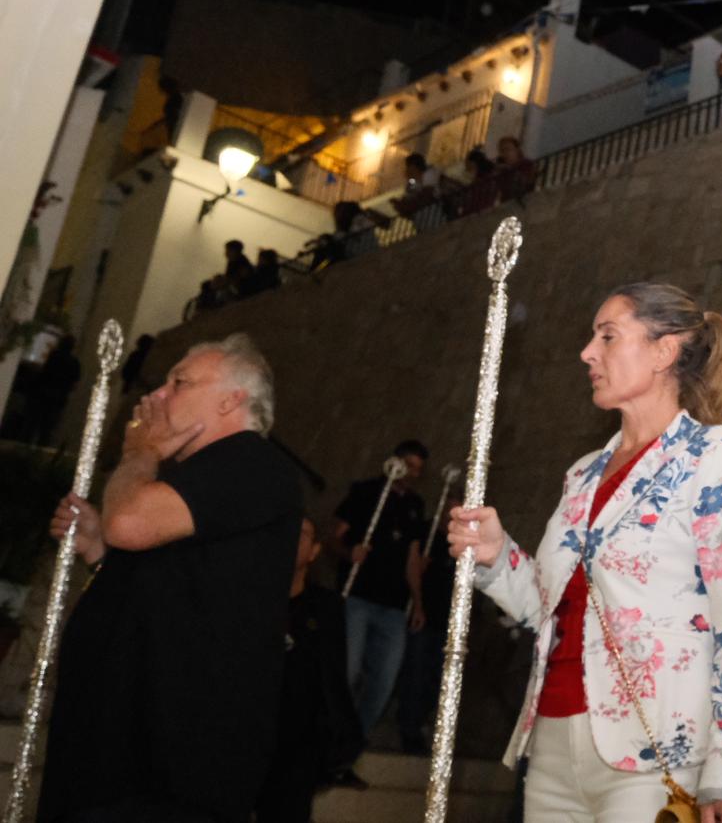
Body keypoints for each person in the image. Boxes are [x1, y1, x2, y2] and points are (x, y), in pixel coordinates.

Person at [448, 283, 722, 822]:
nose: (587, 353)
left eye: (608, 336)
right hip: (553, 743)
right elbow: (546, 608)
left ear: (663, 350)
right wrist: (495, 554)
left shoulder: (714, 457)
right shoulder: (582, 475)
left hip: (655, 752)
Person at [39, 333, 303, 822]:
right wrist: (99, 550)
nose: (158, 395)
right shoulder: (188, 476)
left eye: (179, 382)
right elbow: (178, 587)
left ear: (231, 400)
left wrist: (139, 451)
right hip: (113, 748)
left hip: (166, 762)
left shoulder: (252, 464)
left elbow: (130, 523)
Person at [255, 517, 363, 823]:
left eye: (301, 535)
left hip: (299, 746)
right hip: (248, 737)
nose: (291, 540)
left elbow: (333, 674)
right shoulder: (250, 601)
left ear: (314, 551)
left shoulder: (326, 607)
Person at [330, 438, 429, 741]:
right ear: (394, 462)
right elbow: (334, 536)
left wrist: (418, 602)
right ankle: (330, 735)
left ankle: (352, 742)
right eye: (408, 465)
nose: (412, 473)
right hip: (358, 597)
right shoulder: (365, 491)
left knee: (383, 682)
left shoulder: (415, 505)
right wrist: (350, 553)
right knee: (347, 672)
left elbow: (412, 558)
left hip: (394, 606)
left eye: (418, 470)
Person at [397, 493, 460, 754]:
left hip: (448, 621)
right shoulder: (428, 532)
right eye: (450, 510)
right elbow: (411, 566)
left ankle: (418, 724)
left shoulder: (461, 542)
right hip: (426, 615)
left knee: (437, 679)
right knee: (416, 673)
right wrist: (418, 604)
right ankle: (409, 730)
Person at [495, 136, 536, 201]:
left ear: (517, 150)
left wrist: (509, 169)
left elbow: (525, 180)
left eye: (508, 149)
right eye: (502, 151)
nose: (505, 153)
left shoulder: (526, 163)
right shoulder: (502, 170)